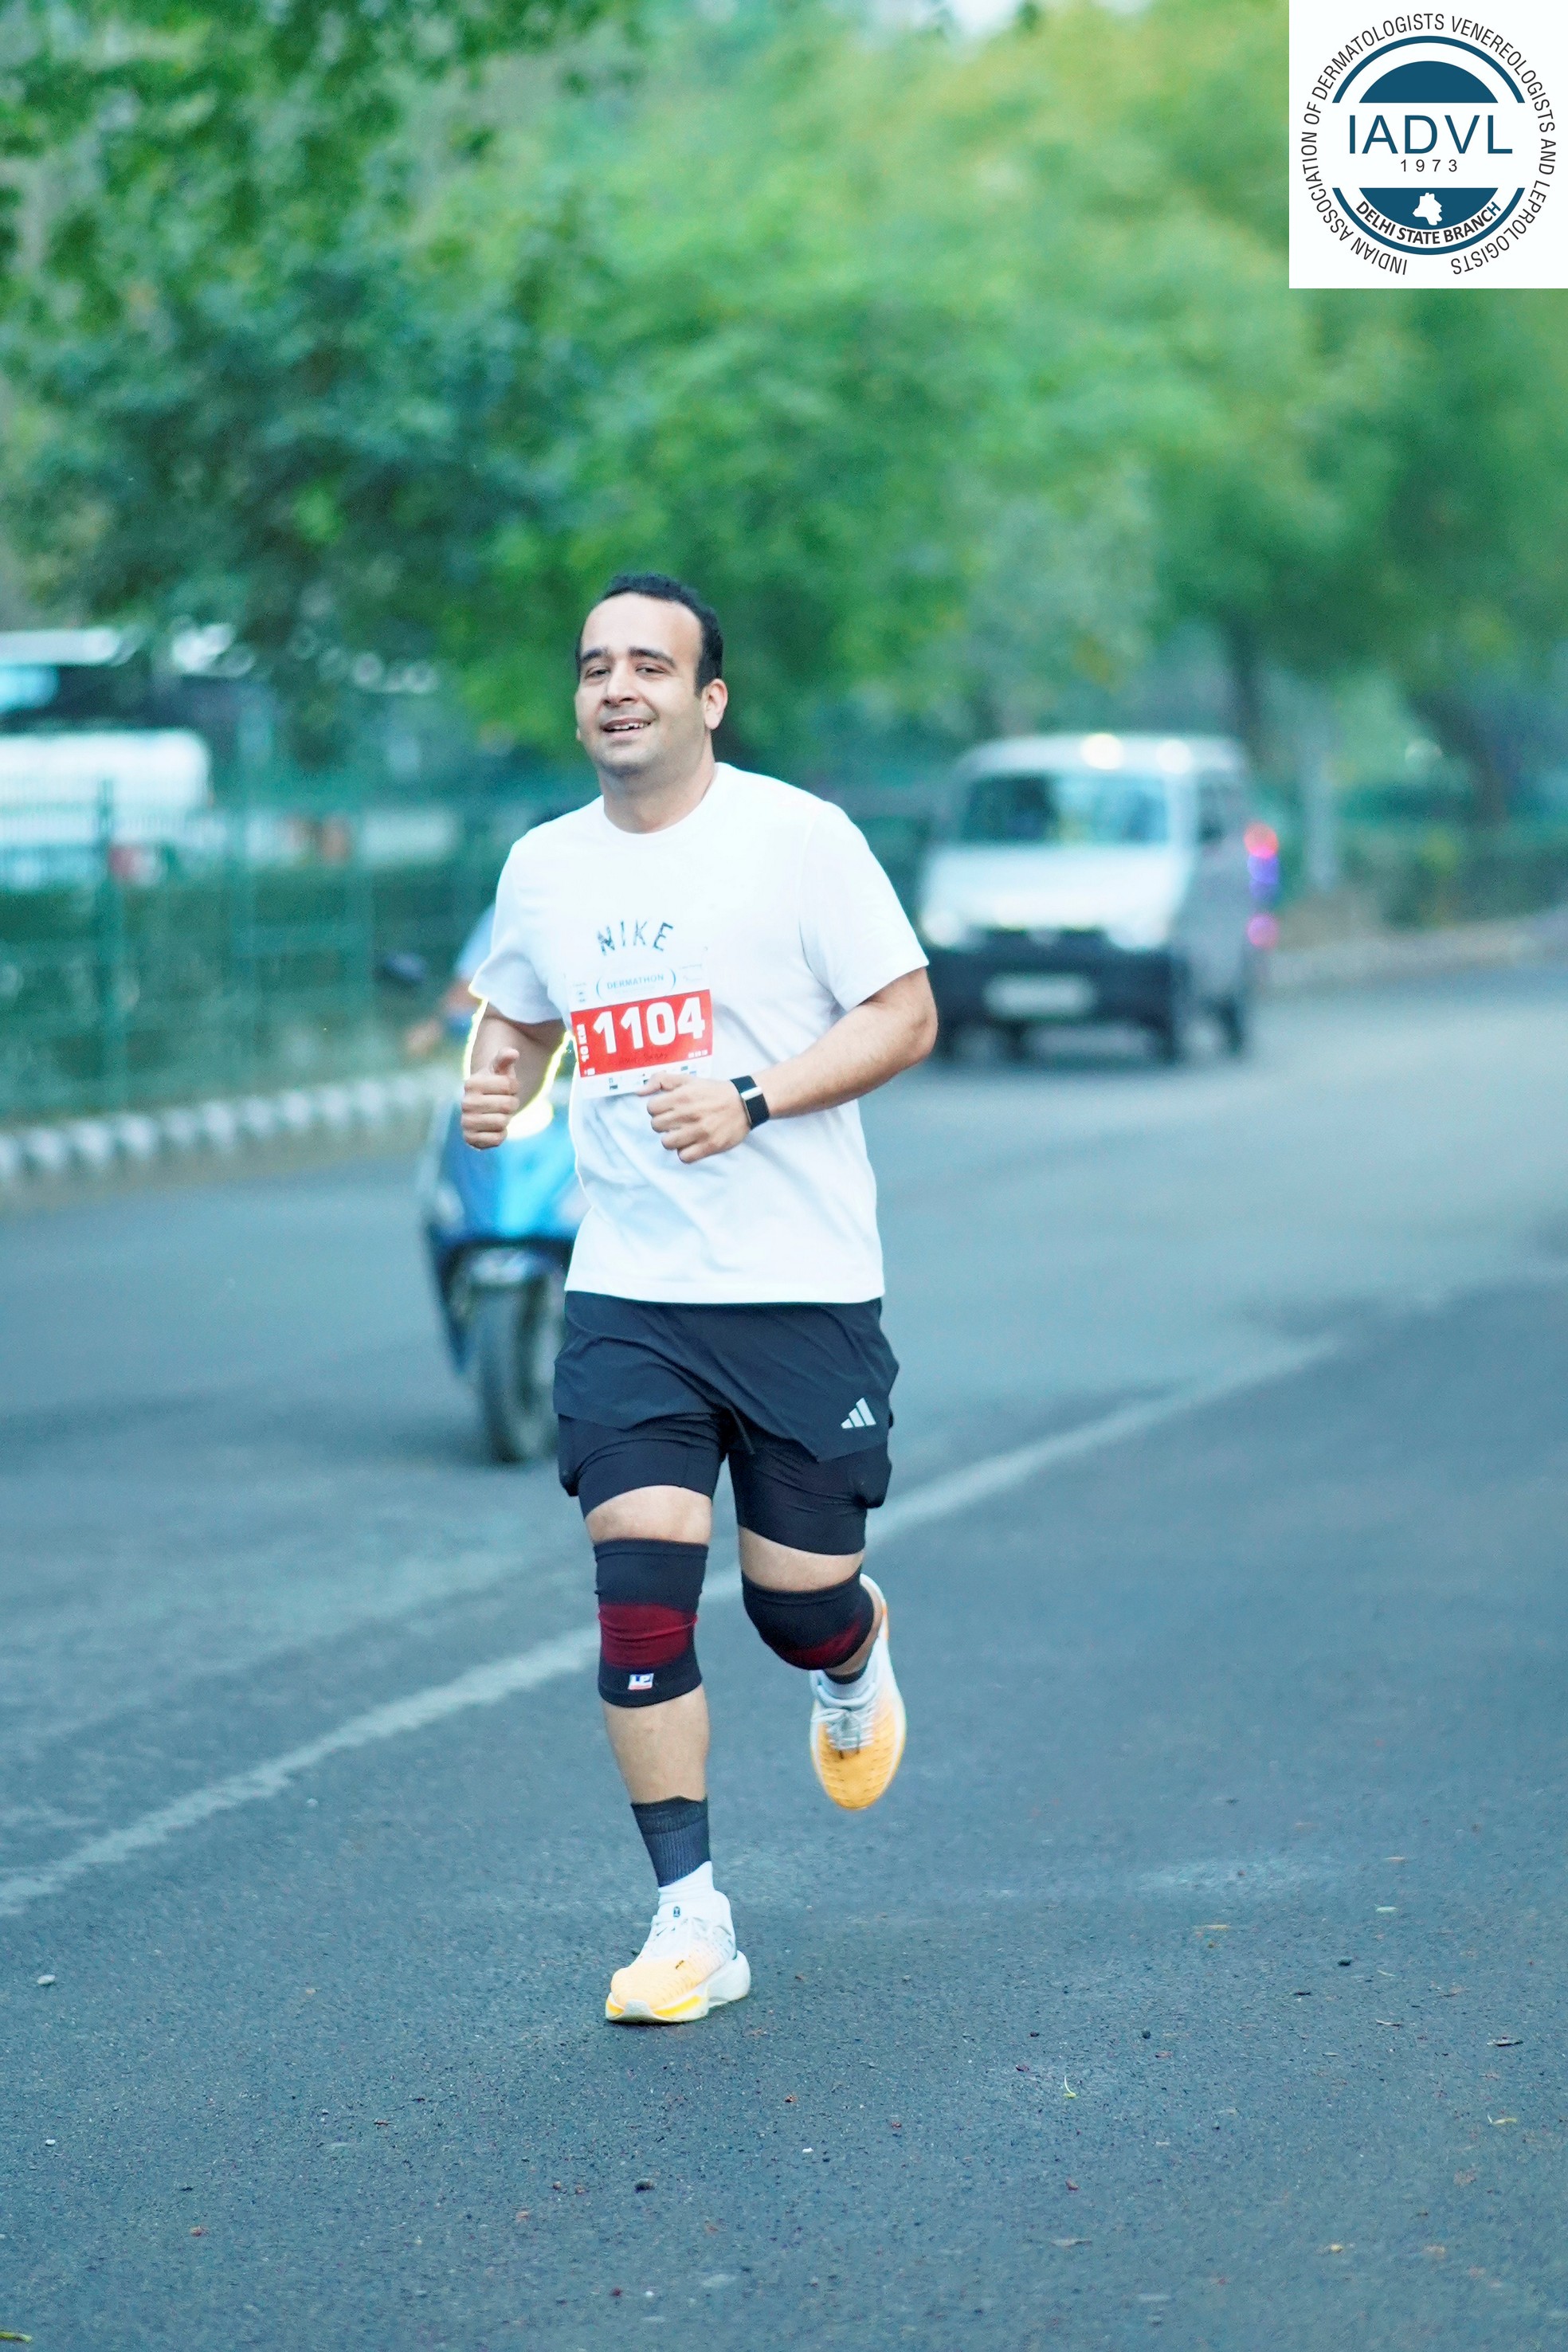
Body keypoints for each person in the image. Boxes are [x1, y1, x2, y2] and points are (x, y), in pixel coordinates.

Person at [461, 572, 936, 2025]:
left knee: (795, 1603)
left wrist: (757, 1096)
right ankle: (691, 1918)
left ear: (709, 699)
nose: (618, 687)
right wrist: (495, 1083)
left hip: (800, 1290)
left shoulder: (800, 839)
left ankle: (850, 1657)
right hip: (633, 1293)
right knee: (640, 1590)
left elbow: (907, 1012)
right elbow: (519, 1012)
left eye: (650, 666)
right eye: (595, 665)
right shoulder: (544, 866)